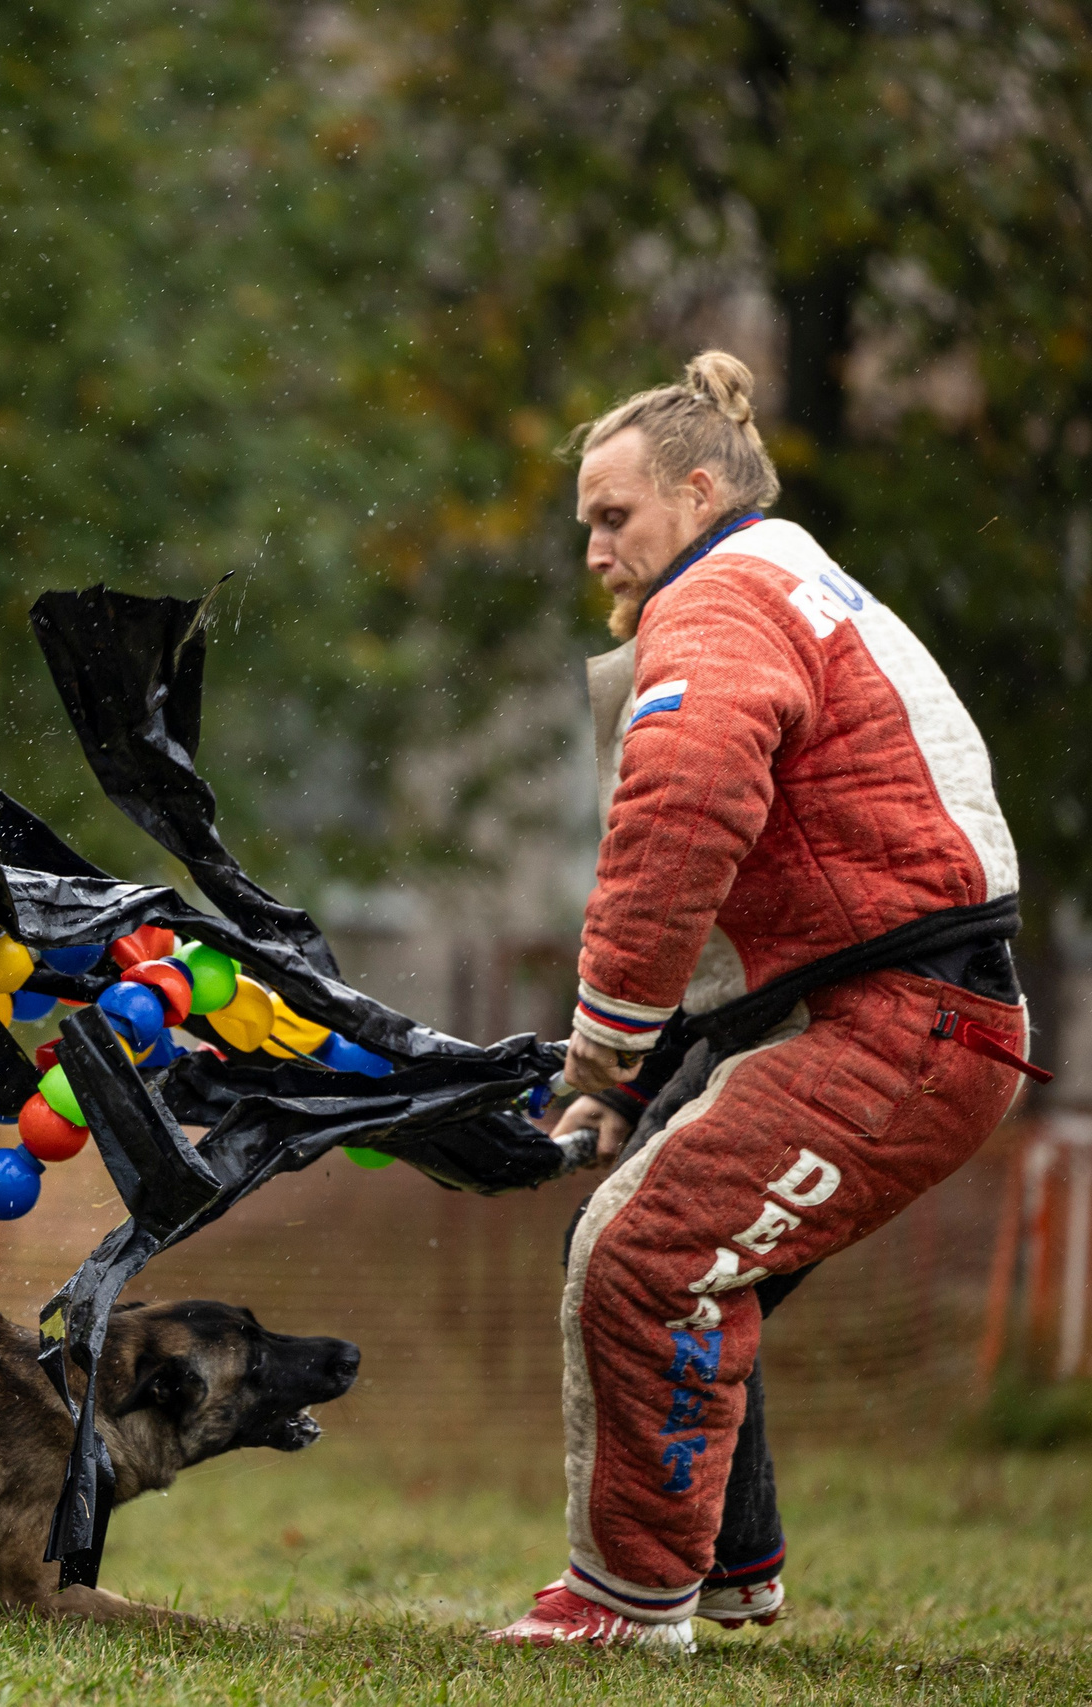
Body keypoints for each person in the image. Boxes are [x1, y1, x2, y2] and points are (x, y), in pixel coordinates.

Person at [482, 352, 1047, 1651]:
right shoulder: (788, 581)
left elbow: (682, 808)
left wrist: (603, 1051)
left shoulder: (720, 601)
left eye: (612, 518)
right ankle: (731, 1574)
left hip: (894, 1021)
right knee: (662, 1248)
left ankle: (628, 1605)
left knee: (650, 1260)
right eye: (583, 527)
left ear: (695, 491)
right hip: (896, 1008)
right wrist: (641, 1086)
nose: (595, 553)